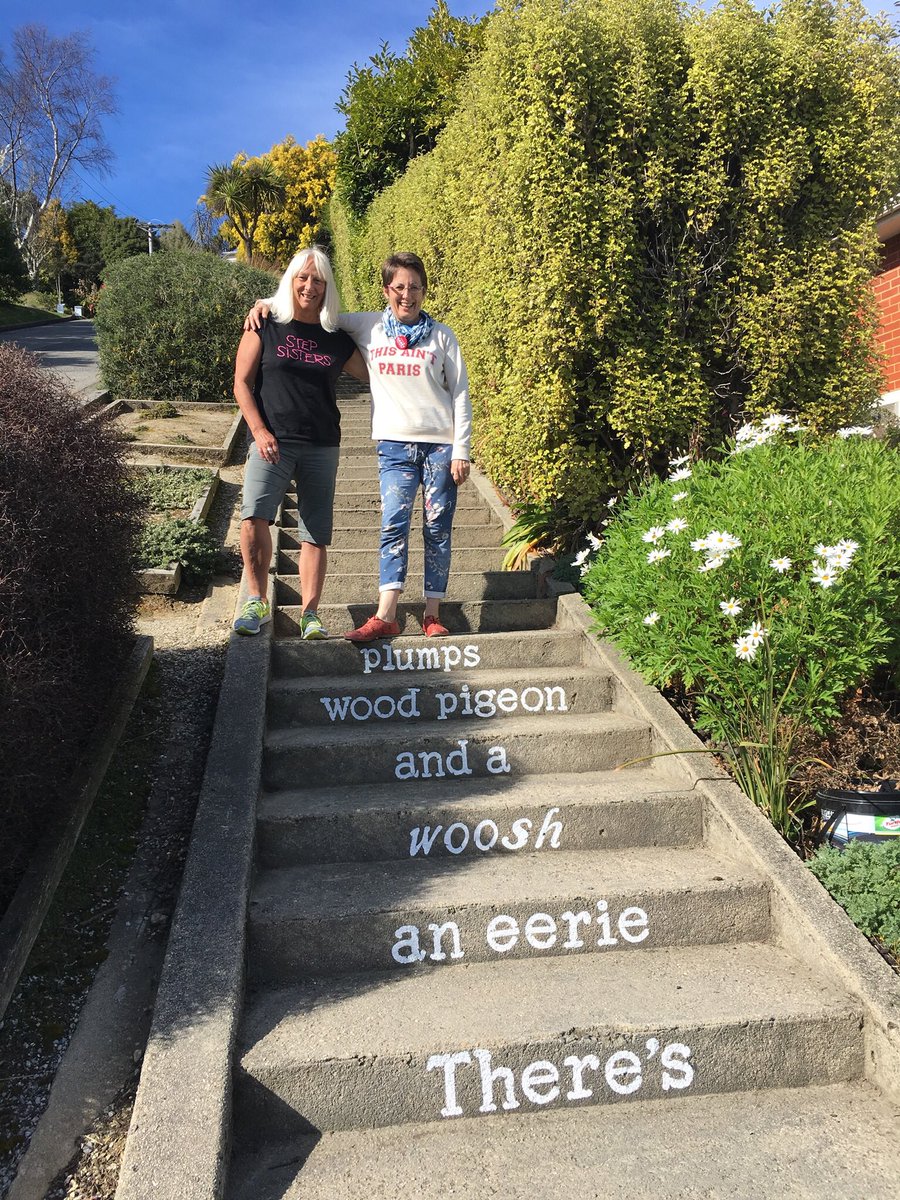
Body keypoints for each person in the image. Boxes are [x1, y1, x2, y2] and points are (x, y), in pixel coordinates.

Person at [247, 251, 471, 642]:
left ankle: (432, 614)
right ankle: (387, 615)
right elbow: (316, 310)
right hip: (394, 444)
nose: (407, 294)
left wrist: (461, 448)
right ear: (386, 290)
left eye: (415, 287)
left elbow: (461, 394)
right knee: (392, 526)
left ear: (424, 291)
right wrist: (265, 303)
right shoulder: (368, 326)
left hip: (439, 445)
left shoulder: (442, 336)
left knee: (437, 528)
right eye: (399, 287)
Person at [232, 247, 367, 637]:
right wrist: (259, 430)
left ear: (328, 287)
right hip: (272, 440)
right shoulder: (266, 325)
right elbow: (241, 383)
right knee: (253, 516)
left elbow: (376, 377)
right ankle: (256, 601)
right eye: (303, 277)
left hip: (322, 444)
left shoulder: (336, 339)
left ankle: (310, 613)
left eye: (319, 279)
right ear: (291, 280)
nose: (310, 285)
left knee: (315, 531)